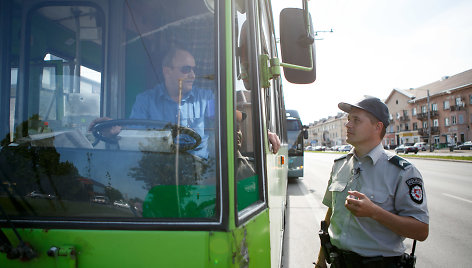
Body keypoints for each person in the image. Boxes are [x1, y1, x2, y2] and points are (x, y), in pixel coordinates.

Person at [315, 97, 429, 268]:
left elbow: (421, 231)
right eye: (348, 119)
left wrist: (374, 212)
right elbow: (332, 213)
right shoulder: (340, 165)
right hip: (338, 262)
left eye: (356, 120)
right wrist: (320, 259)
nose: (348, 125)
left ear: (378, 127)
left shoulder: (403, 172)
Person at [90, 47, 214, 159]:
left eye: (194, 69)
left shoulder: (204, 98)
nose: (193, 75)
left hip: (196, 172)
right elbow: (135, 134)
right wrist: (116, 130)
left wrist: (234, 115)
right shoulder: (145, 101)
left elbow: (227, 114)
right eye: (186, 69)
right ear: (167, 71)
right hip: (157, 171)